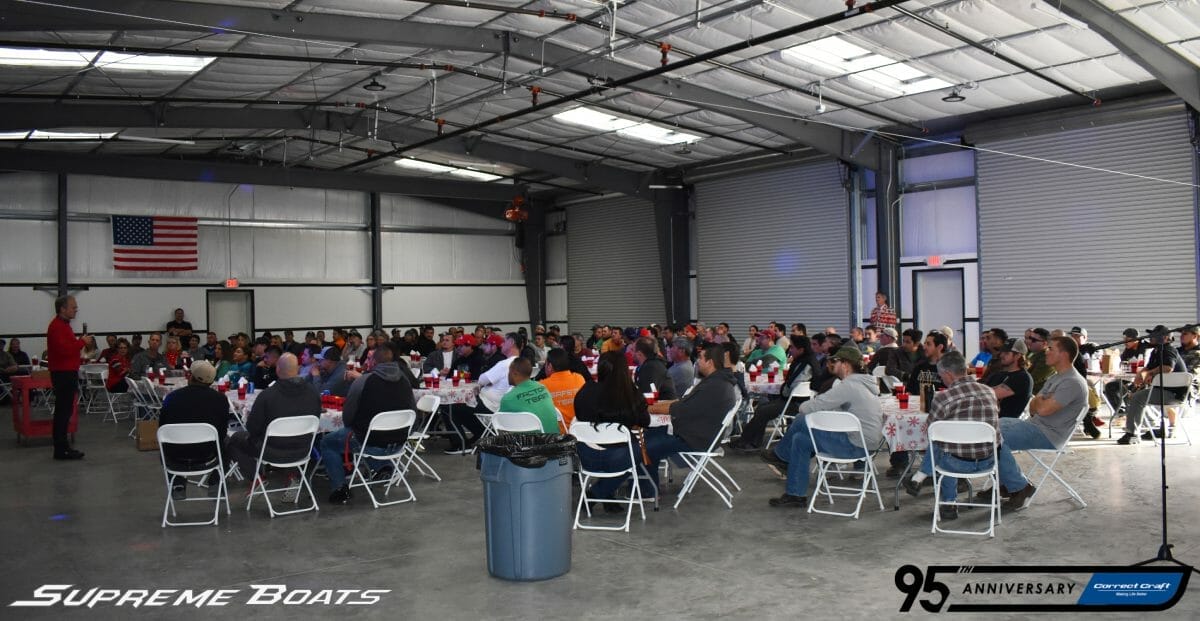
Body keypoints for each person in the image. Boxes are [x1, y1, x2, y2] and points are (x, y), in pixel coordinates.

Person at [761, 346, 883, 507]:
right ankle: (795, 494)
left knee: (802, 420)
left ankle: (782, 457)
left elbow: (810, 407)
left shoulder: (849, 386)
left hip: (856, 445)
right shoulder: (863, 384)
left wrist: (805, 407)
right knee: (800, 440)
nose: (831, 364)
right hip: (866, 444)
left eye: (835, 361)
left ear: (845, 365)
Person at [989, 336, 1089, 510]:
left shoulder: (1072, 382)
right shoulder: (1057, 378)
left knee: (992, 436)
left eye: (1051, 349)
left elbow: (1041, 409)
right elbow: (1033, 404)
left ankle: (1020, 487)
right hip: (1035, 426)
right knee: (993, 425)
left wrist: (1041, 402)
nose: (1046, 352)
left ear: (1064, 354)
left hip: (1048, 435)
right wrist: (1042, 401)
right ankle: (1006, 484)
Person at [902, 351, 999, 520]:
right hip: (989, 461)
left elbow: (930, 431)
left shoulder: (943, 398)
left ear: (947, 374)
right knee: (949, 442)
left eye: (941, 376)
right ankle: (921, 479)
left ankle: (947, 502)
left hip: (957, 464)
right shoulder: (989, 391)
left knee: (942, 442)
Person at [322, 344, 416, 504]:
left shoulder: (364, 381)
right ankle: (384, 465)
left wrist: (353, 426)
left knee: (327, 442)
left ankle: (339, 488)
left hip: (371, 442)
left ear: (373, 361)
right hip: (399, 442)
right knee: (364, 436)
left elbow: (348, 416)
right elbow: (412, 410)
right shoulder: (405, 380)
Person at [642, 343, 737, 494]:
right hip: (700, 434)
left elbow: (679, 409)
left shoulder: (713, 385)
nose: (697, 361)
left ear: (710, 363)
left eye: (700, 358)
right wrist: (655, 406)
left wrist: (647, 408)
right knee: (650, 435)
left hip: (695, 439)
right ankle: (646, 486)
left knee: (644, 448)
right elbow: (683, 403)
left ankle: (647, 491)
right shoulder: (718, 381)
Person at [573, 351, 651, 507]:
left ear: (600, 368)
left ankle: (605, 493)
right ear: (624, 371)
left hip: (586, 457)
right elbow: (645, 421)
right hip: (618, 458)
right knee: (642, 450)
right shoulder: (630, 395)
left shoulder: (585, 391)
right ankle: (598, 492)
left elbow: (579, 416)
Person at [227, 353, 321, 480]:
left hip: (271, 450)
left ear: (277, 369)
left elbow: (252, 428)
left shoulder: (267, 395)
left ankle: (256, 477)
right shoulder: (313, 393)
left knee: (235, 439)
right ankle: (292, 475)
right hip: (303, 449)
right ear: (297, 369)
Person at [730, 335, 817, 451]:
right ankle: (748, 439)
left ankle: (751, 441)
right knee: (762, 407)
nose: (790, 350)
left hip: (797, 404)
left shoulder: (806, 364)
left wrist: (782, 390)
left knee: (763, 410)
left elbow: (793, 386)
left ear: (801, 350)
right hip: (792, 401)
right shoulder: (804, 360)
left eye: (793, 348)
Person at [158, 360, 229, 498]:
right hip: (208, 457)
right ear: (210, 382)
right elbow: (221, 432)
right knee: (228, 442)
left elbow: (162, 429)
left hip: (174, 458)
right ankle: (215, 481)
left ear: (190, 376)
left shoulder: (171, 398)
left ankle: (177, 483)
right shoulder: (220, 399)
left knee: (164, 443)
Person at [1118, 326, 1187, 444]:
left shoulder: (1168, 350)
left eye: (1154, 335)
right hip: (1163, 390)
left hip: (1173, 393)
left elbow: (1168, 367)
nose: (1151, 338)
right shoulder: (1156, 351)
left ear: (1165, 338)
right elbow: (1148, 367)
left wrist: (1149, 373)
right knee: (1136, 395)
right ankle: (1154, 428)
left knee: (1137, 398)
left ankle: (1132, 433)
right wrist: (1141, 374)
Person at [46, 295, 88, 460]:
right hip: (63, 373)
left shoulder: (63, 326)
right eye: (73, 306)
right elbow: (65, 350)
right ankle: (61, 448)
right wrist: (81, 342)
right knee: (63, 411)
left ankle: (62, 447)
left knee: (65, 410)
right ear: (62, 309)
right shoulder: (57, 327)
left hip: (66, 371)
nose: (76, 309)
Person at [498, 358, 559, 433]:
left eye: (509, 371)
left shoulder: (508, 399)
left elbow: (502, 429)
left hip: (529, 443)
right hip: (554, 440)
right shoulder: (543, 387)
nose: (507, 374)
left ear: (515, 373)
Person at [982, 338, 1034, 420]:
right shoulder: (998, 373)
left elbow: (990, 394)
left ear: (1018, 356)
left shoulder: (1023, 378)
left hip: (1005, 424)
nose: (1001, 355)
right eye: (1002, 352)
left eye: (1006, 353)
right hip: (989, 419)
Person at [539, 348, 585, 429]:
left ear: (549, 366)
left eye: (545, 364)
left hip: (559, 434)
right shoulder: (579, 378)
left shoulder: (542, 386)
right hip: (580, 430)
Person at [1024, 327, 1055, 394]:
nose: (1029, 341)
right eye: (1030, 338)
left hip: (1037, 395)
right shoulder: (1031, 353)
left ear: (1045, 343)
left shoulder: (1047, 358)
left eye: (1034, 340)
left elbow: (1032, 379)